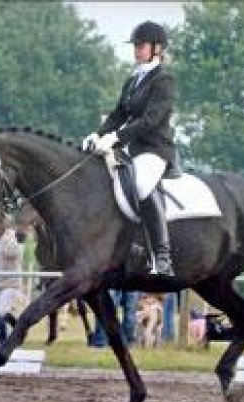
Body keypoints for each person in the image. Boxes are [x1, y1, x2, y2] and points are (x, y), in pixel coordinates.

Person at [82, 21, 177, 276]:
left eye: (141, 45)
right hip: (133, 151)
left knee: (142, 185)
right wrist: (97, 134)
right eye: (135, 45)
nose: (136, 50)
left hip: (156, 150)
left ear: (157, 48)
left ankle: (162, 255)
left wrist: (115, 138)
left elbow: (151, 120)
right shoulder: (133, 80)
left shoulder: (164, 80)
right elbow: (118, 114)